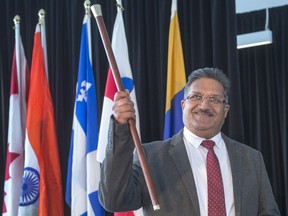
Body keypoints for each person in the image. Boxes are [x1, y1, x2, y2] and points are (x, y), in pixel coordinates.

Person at [98, 68, 280, 216]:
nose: (204, 105)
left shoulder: (251, 158)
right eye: (196, 97)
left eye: (214, 99)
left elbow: (268, 212)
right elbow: (115, 199)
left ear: (226, 110)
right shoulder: (151, 156)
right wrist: (120, 128)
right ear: (183, 105)